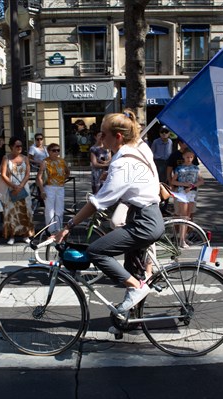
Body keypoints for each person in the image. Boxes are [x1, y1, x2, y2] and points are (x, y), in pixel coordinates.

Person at [55, 109, 164, 319]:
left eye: (103, 133)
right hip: (145, 216)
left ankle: (136, 288)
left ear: (118, 136)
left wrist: (68, 226)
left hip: (144, 221)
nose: (99, 137)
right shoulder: (140, 148)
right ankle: (129, 319)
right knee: (133, 268)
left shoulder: (123, 162)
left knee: (97, 251)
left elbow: (98, 203)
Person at [0, 137, 34, 244]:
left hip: (24, 187)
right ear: (11, 147)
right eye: (17, 146)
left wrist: (21, 185)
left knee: (26, 211)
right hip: (11, 187)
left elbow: (28, 173)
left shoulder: (25, 158)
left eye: (21, 146)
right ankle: (12, 236)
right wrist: (13, 185)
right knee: (11, 212)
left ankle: (26, 235)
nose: (19, 148)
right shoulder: (6, 158)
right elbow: (3, 174)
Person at [170, 148, 204, 247]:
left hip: (192, 192)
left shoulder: (196, 168)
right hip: (182, 192)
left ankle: (184, 238)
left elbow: (201, 180)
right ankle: (181, 240)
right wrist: (183, 184)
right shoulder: (179, 168)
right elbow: (173, 181)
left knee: (188, 217)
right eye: (187, 157)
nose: (189, 159)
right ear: (183, 157)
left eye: (191, 157)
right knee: (183, 216)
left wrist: (192, 186)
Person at [37, 143, 70, 232]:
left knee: (60, 210)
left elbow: (67, 172)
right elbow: (39, 177)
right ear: (49, 151)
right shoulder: (45, 162)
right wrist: (42, 190)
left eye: (58, 150)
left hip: (60, 187)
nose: (56, 152)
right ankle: (50, 231)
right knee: (49, 211)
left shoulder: (62, 161)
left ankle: (58, 230)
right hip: (49, 187)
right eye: (54, 150)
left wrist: (62, 179)